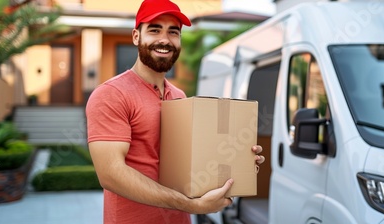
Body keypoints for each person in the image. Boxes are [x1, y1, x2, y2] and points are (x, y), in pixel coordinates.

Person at [85, 0, 266, 223]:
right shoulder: (111, 94)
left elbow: (192, 162)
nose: (164, 39)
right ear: (136, 36)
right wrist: (191, 205)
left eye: (173, 32)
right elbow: (111, 174)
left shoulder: (179, 97)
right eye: (154, 30)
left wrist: (238, 161)